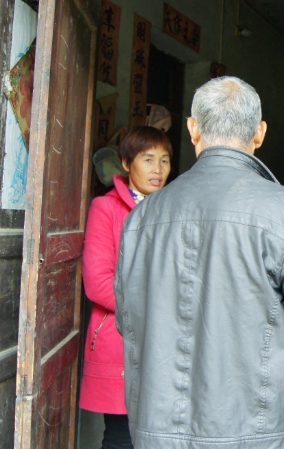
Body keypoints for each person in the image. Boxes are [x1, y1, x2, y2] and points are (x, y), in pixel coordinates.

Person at [114, 76, 284, 449]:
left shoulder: (142, 217)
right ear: (260, 133)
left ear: (193, 129)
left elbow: (127, 322)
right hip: (255, 433)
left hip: (157, 430)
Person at [80, 126, 172, 449]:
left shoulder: (174, 210)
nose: (158, 169)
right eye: (148, 159)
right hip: (120, 339)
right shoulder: (105, 209)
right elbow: (97, 283)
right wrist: (155, 309)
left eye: (164, 160)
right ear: (125, 163)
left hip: (167, 344)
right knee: (122, 437)